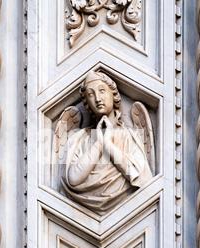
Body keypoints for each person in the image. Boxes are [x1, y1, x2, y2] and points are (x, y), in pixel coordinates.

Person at [60, 71, 153, 214]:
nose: (97, 98)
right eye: (91, 94)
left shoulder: (128, 136)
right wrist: (99, 142)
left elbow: (141, 177)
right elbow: (73, 179)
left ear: (113, 94)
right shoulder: (80, 138)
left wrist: (109, 145)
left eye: (102, 91)